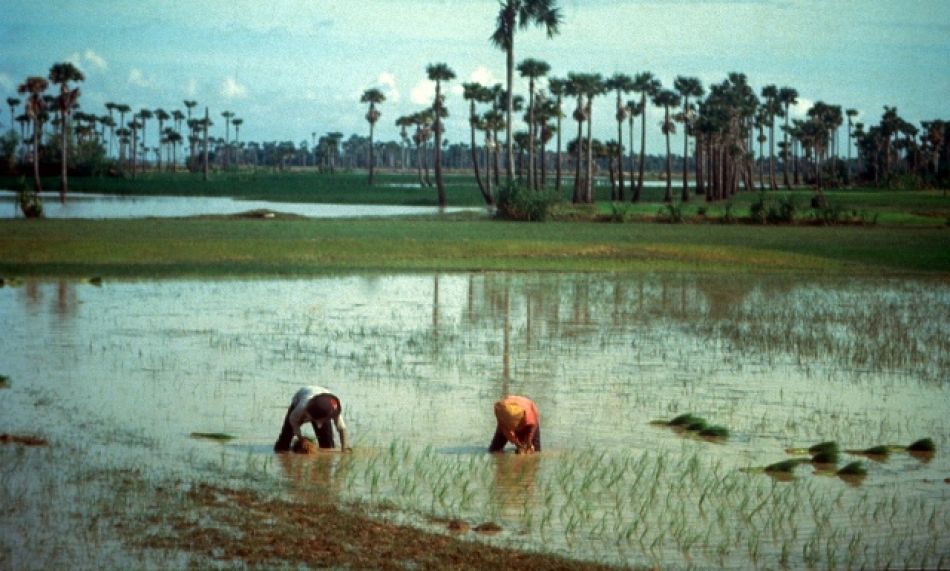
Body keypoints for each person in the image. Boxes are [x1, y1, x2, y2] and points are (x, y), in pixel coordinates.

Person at [274, 386, 350, 453]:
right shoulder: (301, 407)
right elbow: (293, 421)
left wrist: (345, 447)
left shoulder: (332, 408)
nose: (319, 425)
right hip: (301, 399)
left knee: (328, 445)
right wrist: (301, 439)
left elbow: (341, 428)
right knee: (282, 444)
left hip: (323, 406)